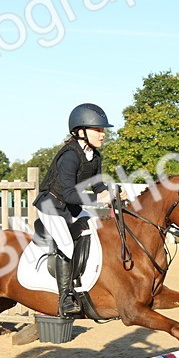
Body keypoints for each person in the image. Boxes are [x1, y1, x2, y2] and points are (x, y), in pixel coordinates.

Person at [33, 102, 111, 317]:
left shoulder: (95, 156)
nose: (103, 134)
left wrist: (112, 195)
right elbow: (68, 194)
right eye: (98, 129)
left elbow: (98, 185)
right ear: (81, 131)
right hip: (51, 205)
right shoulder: (69, 155)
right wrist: (98, 198)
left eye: (103, 130)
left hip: (71, 206)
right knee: (66, 245)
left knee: (97, 226)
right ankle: (65, 298)